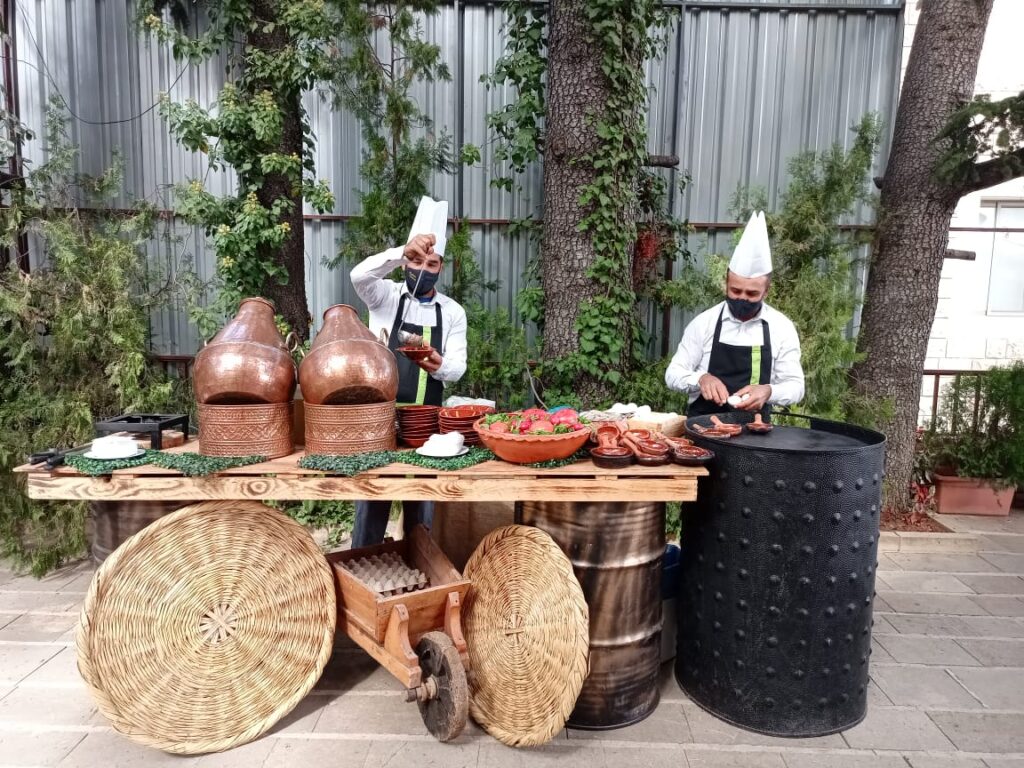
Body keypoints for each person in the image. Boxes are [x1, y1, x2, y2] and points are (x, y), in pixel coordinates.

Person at [349, 197, 468, 547]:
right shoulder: (384, 296)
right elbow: (358, 275)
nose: (422, 269)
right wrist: (402, 250)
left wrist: (437, 362)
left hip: (427, 430)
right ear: (405, 262)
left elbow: (458, 369)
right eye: (415, 260)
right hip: (380, 423)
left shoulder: (453, 312)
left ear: (440, 268)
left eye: (431, 263)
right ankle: (363, 568)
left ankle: (420, 575)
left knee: (421, 516)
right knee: (372, 507)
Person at [665, 211, 804, 417]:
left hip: (755, 434)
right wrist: (701, 378)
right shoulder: (704, 323)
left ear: (767, 291)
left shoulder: (781, 327)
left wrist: (769, 390)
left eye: (752, 293)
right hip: (704, 429)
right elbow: (673, 374)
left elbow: (796, 386)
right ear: (726, 284)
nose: (742, 298)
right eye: (736, 290)